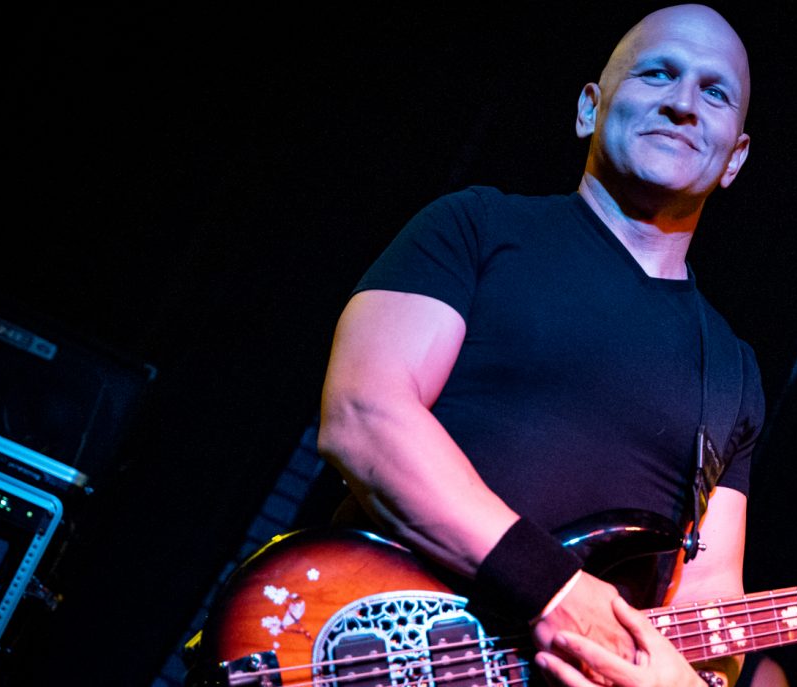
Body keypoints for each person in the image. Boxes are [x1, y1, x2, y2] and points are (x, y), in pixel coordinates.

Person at [316, 4, 762, 686]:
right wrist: (549, 587)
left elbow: (710, 594)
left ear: (735, 159)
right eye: (657, 73)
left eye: (715, 92)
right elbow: (364, 414)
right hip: (370, 654)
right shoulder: (475, 228)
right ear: (589, 108)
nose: (683, 104)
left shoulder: (732, 368)